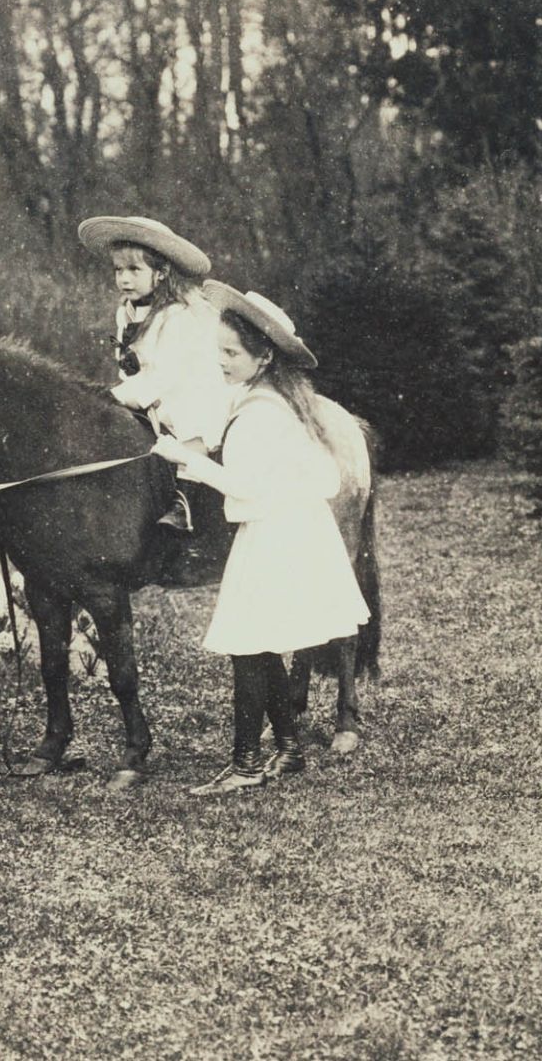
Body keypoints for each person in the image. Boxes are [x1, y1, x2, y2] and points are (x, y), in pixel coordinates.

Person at [152, 281, 370, 795]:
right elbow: (321, 477)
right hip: (292, 532)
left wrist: (190, 462)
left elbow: (248, 490)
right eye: (218, 351)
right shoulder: (280, 400)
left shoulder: (258, 414)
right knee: (262, 640)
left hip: (276, 538)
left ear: (263, 356)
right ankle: (288, 748)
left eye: (230, 353)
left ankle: (247, 763)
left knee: (249, 646)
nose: (221, 362)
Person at [78, 215, 228, 531]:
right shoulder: (127, 311)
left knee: (189, 429)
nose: (124, 279)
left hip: (188, 388)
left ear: (161, 273)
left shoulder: (178, 315)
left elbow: (164, 376)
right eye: (118, 270)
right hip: (148, 392)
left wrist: (114, 395)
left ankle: (183, 502)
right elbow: (131, 365)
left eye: (134, 270)